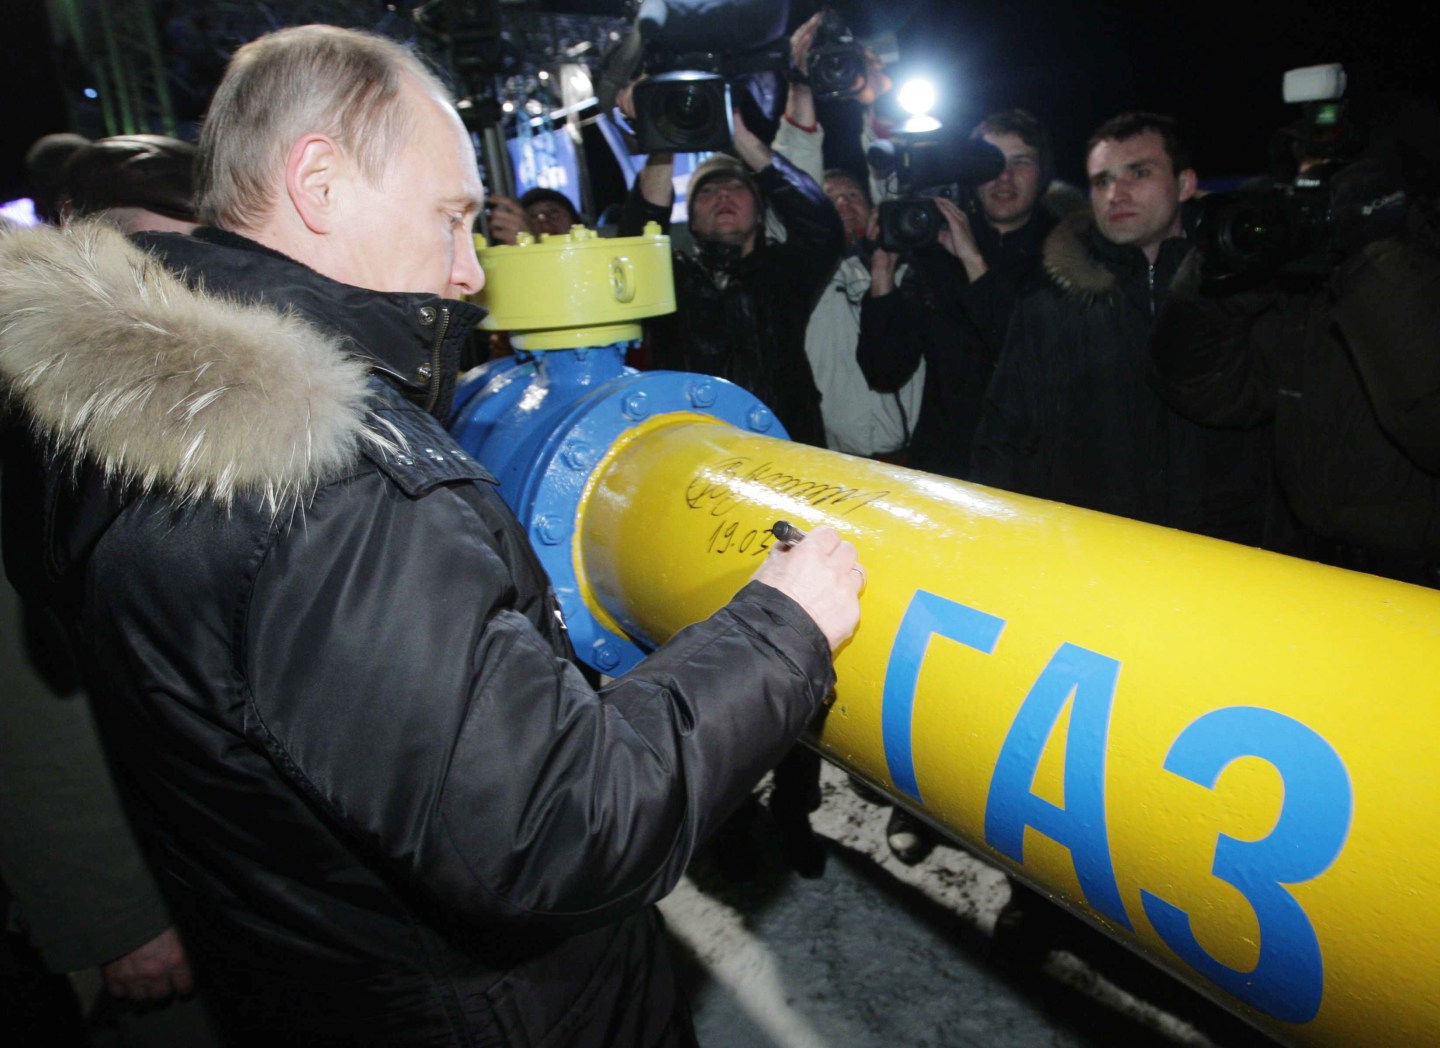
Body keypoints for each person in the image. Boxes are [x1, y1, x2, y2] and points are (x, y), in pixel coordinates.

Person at [0, 25, 862, 1047]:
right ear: (319, 184)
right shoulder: (314, 482)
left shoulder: (144, 421)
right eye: (450, 217)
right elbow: (559, 823)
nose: (470, 272)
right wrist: (779, 628)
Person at [1, 131, 214, 1046]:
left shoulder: (184, 381)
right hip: (151, 889)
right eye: (154, 250)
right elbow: (25, 691)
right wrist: (115, 912)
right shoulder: (36, 403)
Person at [618, 32, 846, 879]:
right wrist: (661, 148)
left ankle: (795, 806)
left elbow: (820, 219)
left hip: (794, 482)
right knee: (707, 648)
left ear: (757, 209)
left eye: (737, 191)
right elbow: (632, 232)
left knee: (804, 648)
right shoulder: (667, 283)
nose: (723, 200)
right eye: (707, 191)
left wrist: (745, 140)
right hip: (694, 492)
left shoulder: (786, 275)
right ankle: (720, 809)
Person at [1148, 108, 1440, 583]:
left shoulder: (1404, 266)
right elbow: (1204, 390)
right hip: (1308, 566)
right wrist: (1226, 268)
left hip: (1420, 580)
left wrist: (1378, 257)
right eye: (1307, 172)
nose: (1321, 195)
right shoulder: (1301, 289)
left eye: (1338, 178)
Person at [971, 112, 1268, 545]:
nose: (1116, 193)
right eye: (1102, 181)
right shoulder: (1051, 303)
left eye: (1139, 173)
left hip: (1224, 554)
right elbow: (1004, 438)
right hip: (1090, 553)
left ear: (1185, 184)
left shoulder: (1239, 293)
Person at [856, 110, 1078, 482]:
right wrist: (882, 273)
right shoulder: (938, 250)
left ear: (1043, 173)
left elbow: (1029, 362)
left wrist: (974, 263)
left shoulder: (1071, 254)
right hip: (947, 471)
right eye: (990, 163)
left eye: (1020, 162)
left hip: (1035, 472)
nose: (1004, 176)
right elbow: (884, 371)